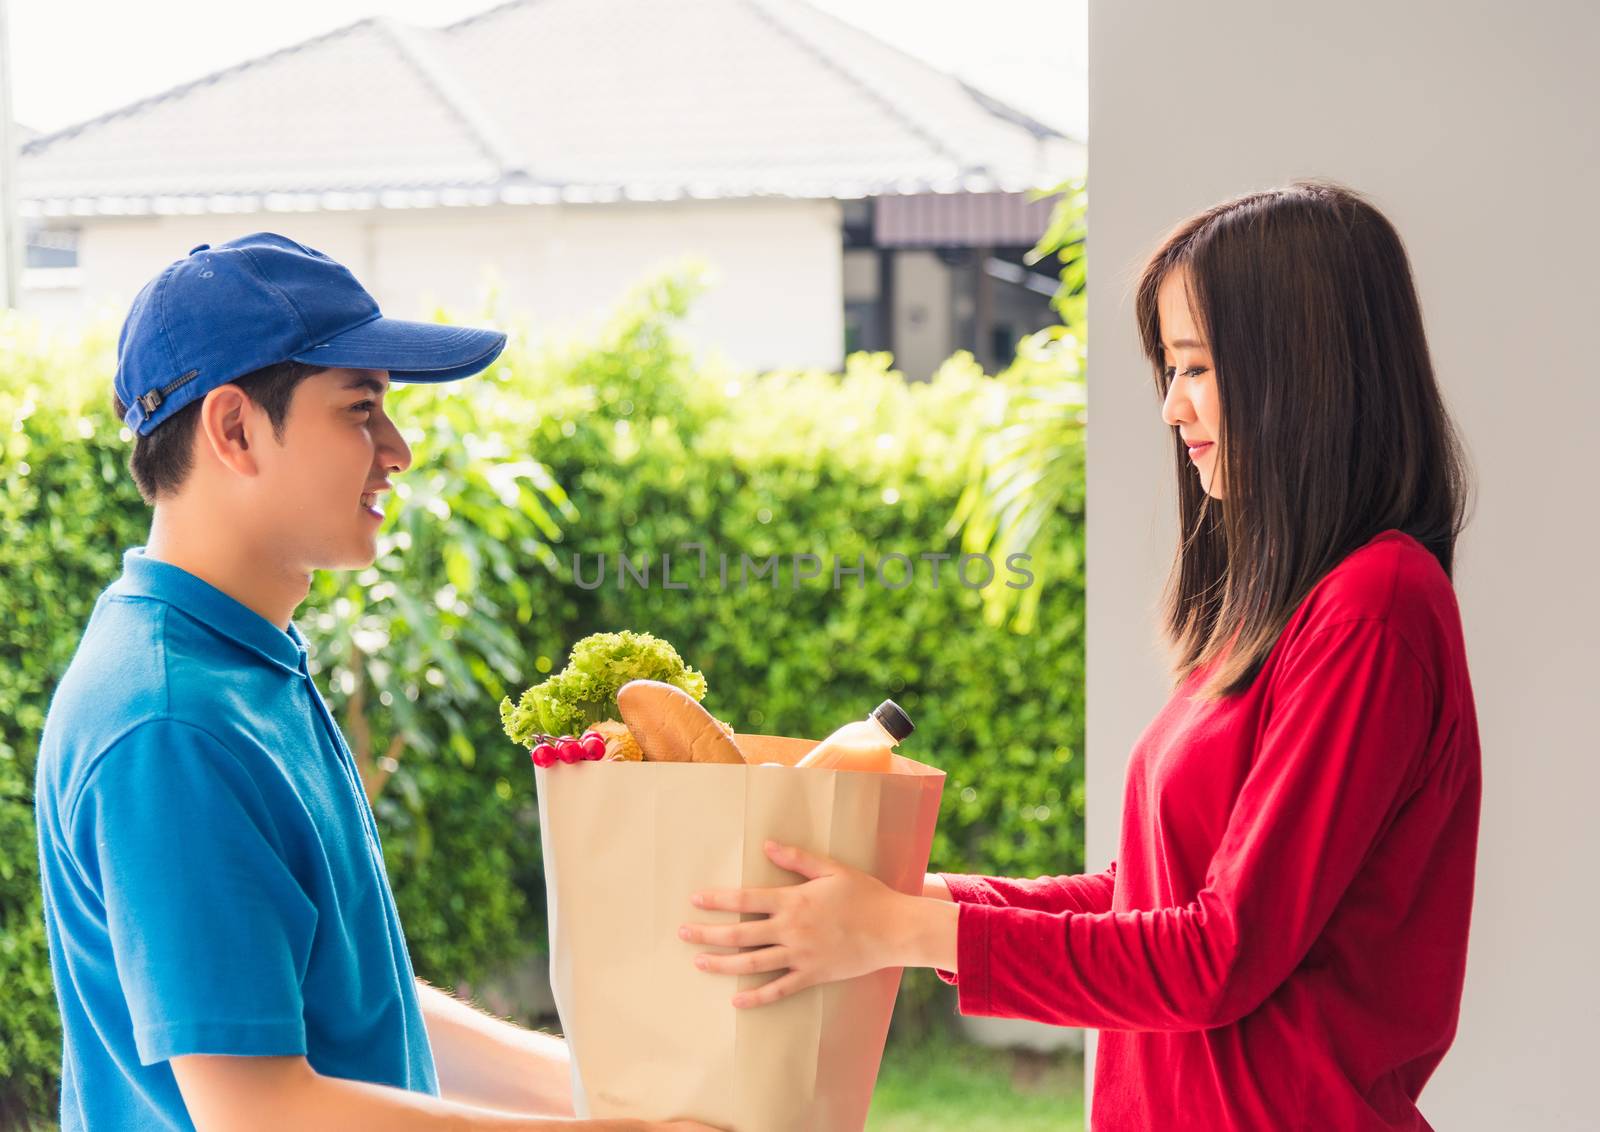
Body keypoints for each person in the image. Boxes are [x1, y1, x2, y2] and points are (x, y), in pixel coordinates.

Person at [679, 180, 1481, 1131]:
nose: (1175, 407)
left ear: (1299, 374)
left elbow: (1216, 956)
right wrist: (914, 898)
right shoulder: (1281, 615)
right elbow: (1147, 901)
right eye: (1169, 372)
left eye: (1198, 367)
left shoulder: (1373, 611)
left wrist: (898, 926)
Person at [33, 233, 716, 1132]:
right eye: (360, 410)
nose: (397, 450)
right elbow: (260, 1111)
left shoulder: (239, 664)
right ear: (235, 428)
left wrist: (627, 1096)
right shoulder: (171, 723)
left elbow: (356, 1002)